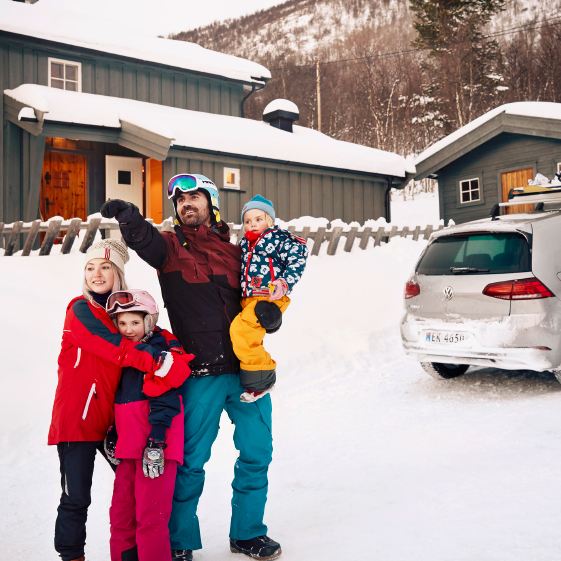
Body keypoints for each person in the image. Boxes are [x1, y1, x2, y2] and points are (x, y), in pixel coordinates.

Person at [100, 174, 282, 561]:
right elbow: (143, 240)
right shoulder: (168, 249)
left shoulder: (238, 254)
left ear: (211, 202)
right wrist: (130, 218)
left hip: (247, 372)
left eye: (194, 197)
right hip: (199, 375)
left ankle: (247, 533)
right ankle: (179, 539)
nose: (186, 204)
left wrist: (271, 315)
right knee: (189, 462)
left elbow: (259, 300)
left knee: (257, 453)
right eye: (180, 200)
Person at [48, 239, 187, 561]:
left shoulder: (118, 311)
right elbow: (115, 346)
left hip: (117, 422)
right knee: (76, 496)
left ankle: (145, 551)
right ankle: (72, 555)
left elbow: (151, 332)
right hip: (78, 420)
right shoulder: (79, 309)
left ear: (118, 274)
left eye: (105, 267)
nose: (96, 274)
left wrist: (174, 351)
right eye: (90, 267)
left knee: (140, 491)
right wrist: (157, 363)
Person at [106, 289, 194, 561]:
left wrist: (156, 441)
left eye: (134, 322)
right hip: (129, 448)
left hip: (155, 446)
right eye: (122, 323)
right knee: (120, 515)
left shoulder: (160, 354)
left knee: (150, 517)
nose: (128, 329)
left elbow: (167, 399)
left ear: (149, 321)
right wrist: (114, 433)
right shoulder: (123, 354)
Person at [230, 195, 308, 402]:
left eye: (258, 219)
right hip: (249, 298)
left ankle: (262, 379)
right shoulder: (245, 243)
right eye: (247, 221)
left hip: (269, 296)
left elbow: (298, 256)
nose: (252, 224)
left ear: (270, 221)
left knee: (241, 331)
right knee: (247, 337)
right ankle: (252, 375)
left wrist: (284, 283)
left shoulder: (278, 238)